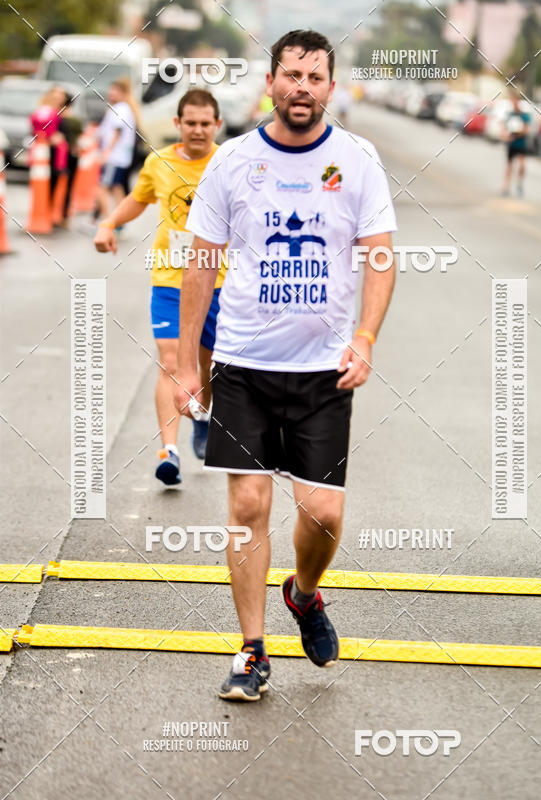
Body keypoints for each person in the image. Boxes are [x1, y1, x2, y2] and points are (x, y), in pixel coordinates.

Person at [175, 29, 397, 702]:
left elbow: (379, 255)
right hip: (243, 361)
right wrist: (189, 366)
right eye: (291, 75)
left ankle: (303, 593)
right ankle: (251, 650)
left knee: (323, 512)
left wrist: (364, 338)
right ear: (270, 82)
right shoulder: (234, 161)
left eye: (314, 77)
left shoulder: (356, 160)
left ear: (330, 86)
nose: (302, 87)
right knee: (247, 504)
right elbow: (200, 263)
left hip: (324, 371)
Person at [94, 89, 226, 485]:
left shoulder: (229, 163)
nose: (198, 130)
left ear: (217, 125)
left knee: (209, 367)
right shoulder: (160, 161)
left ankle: (202, 416)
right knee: (170, 362)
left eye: (206, 124)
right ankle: (169, 451)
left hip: (219, 282)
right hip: (170, 279)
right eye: (191, 123)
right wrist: (108, 223)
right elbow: (139, 198)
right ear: (178, 124)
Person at [95, 78, 139, 220]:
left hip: (114, 157)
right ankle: (119, 221)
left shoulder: (121, 109)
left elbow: (117, 132)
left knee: (102, 189)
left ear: (124, 93)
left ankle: (109, 222)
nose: (111, 93)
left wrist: (106, 152)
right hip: (119, 157)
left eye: (116, 91)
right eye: (111, 90)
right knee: (116, 188)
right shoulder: (123, 108)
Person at [58, 91, 83, 227]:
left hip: (61, 155)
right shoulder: (75, 119)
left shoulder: (58, 118)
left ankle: (61, 214)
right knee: (69, 186)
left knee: (60, 184)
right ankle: (64, 215)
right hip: (72, 154)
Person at [502, 95, 530, 196]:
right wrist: (505, 135)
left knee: (522, 165)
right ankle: (506, 186)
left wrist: (518, 133)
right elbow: (504, 127)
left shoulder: (524, 115)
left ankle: (519, 184)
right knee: (509, 166)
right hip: (511, 144)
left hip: (521, 143)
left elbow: (526, 130)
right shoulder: (510, 114)